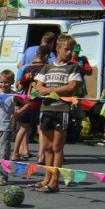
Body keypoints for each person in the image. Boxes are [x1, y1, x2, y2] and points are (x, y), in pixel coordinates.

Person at [33, 35, 82, 194]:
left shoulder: (73, 68)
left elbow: (72, 86)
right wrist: (43, 89)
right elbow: (38, 85)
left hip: (61, 110)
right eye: (66, 49)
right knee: (46, 147)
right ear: (58, 49)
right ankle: (47, 178)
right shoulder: (47, 67)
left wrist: (49, 90)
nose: (69, 53)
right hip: (46, 109)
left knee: (56, 147)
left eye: (71, 50)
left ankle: (55, 181)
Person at [13, 46, 48, 161]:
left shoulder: (27, 69)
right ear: (45, 56)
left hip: (27, 101)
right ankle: (41, 156)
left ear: (35, 55)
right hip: (40, 102)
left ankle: (15, 153)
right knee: (41, 129)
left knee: (23, 128)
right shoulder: (46, 68)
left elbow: (20, 86)